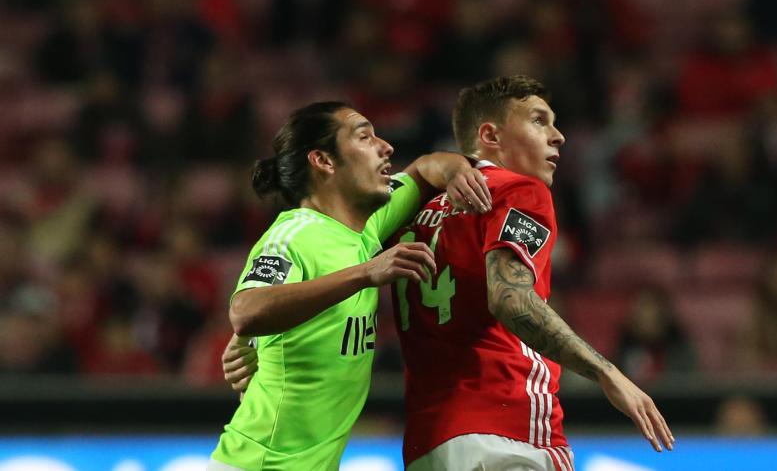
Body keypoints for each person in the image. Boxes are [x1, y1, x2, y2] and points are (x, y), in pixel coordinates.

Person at [224, 77, 674, 470]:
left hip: (429, 444)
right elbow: (509, 298)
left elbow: (421, 169)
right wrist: (606, 373)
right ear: (491, 134)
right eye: (539, 121)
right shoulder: (520, 190)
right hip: (510, 426)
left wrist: (458, 165)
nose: (558, 137)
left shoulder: (387, 221)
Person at [209, 100, 491, 471]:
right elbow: (245, 311)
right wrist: (365, 273)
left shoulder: (367, 226)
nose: (385, 147)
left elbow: (424, 169)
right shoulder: (295, 233)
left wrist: (456, 168)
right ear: (324, 161)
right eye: (364, 136)